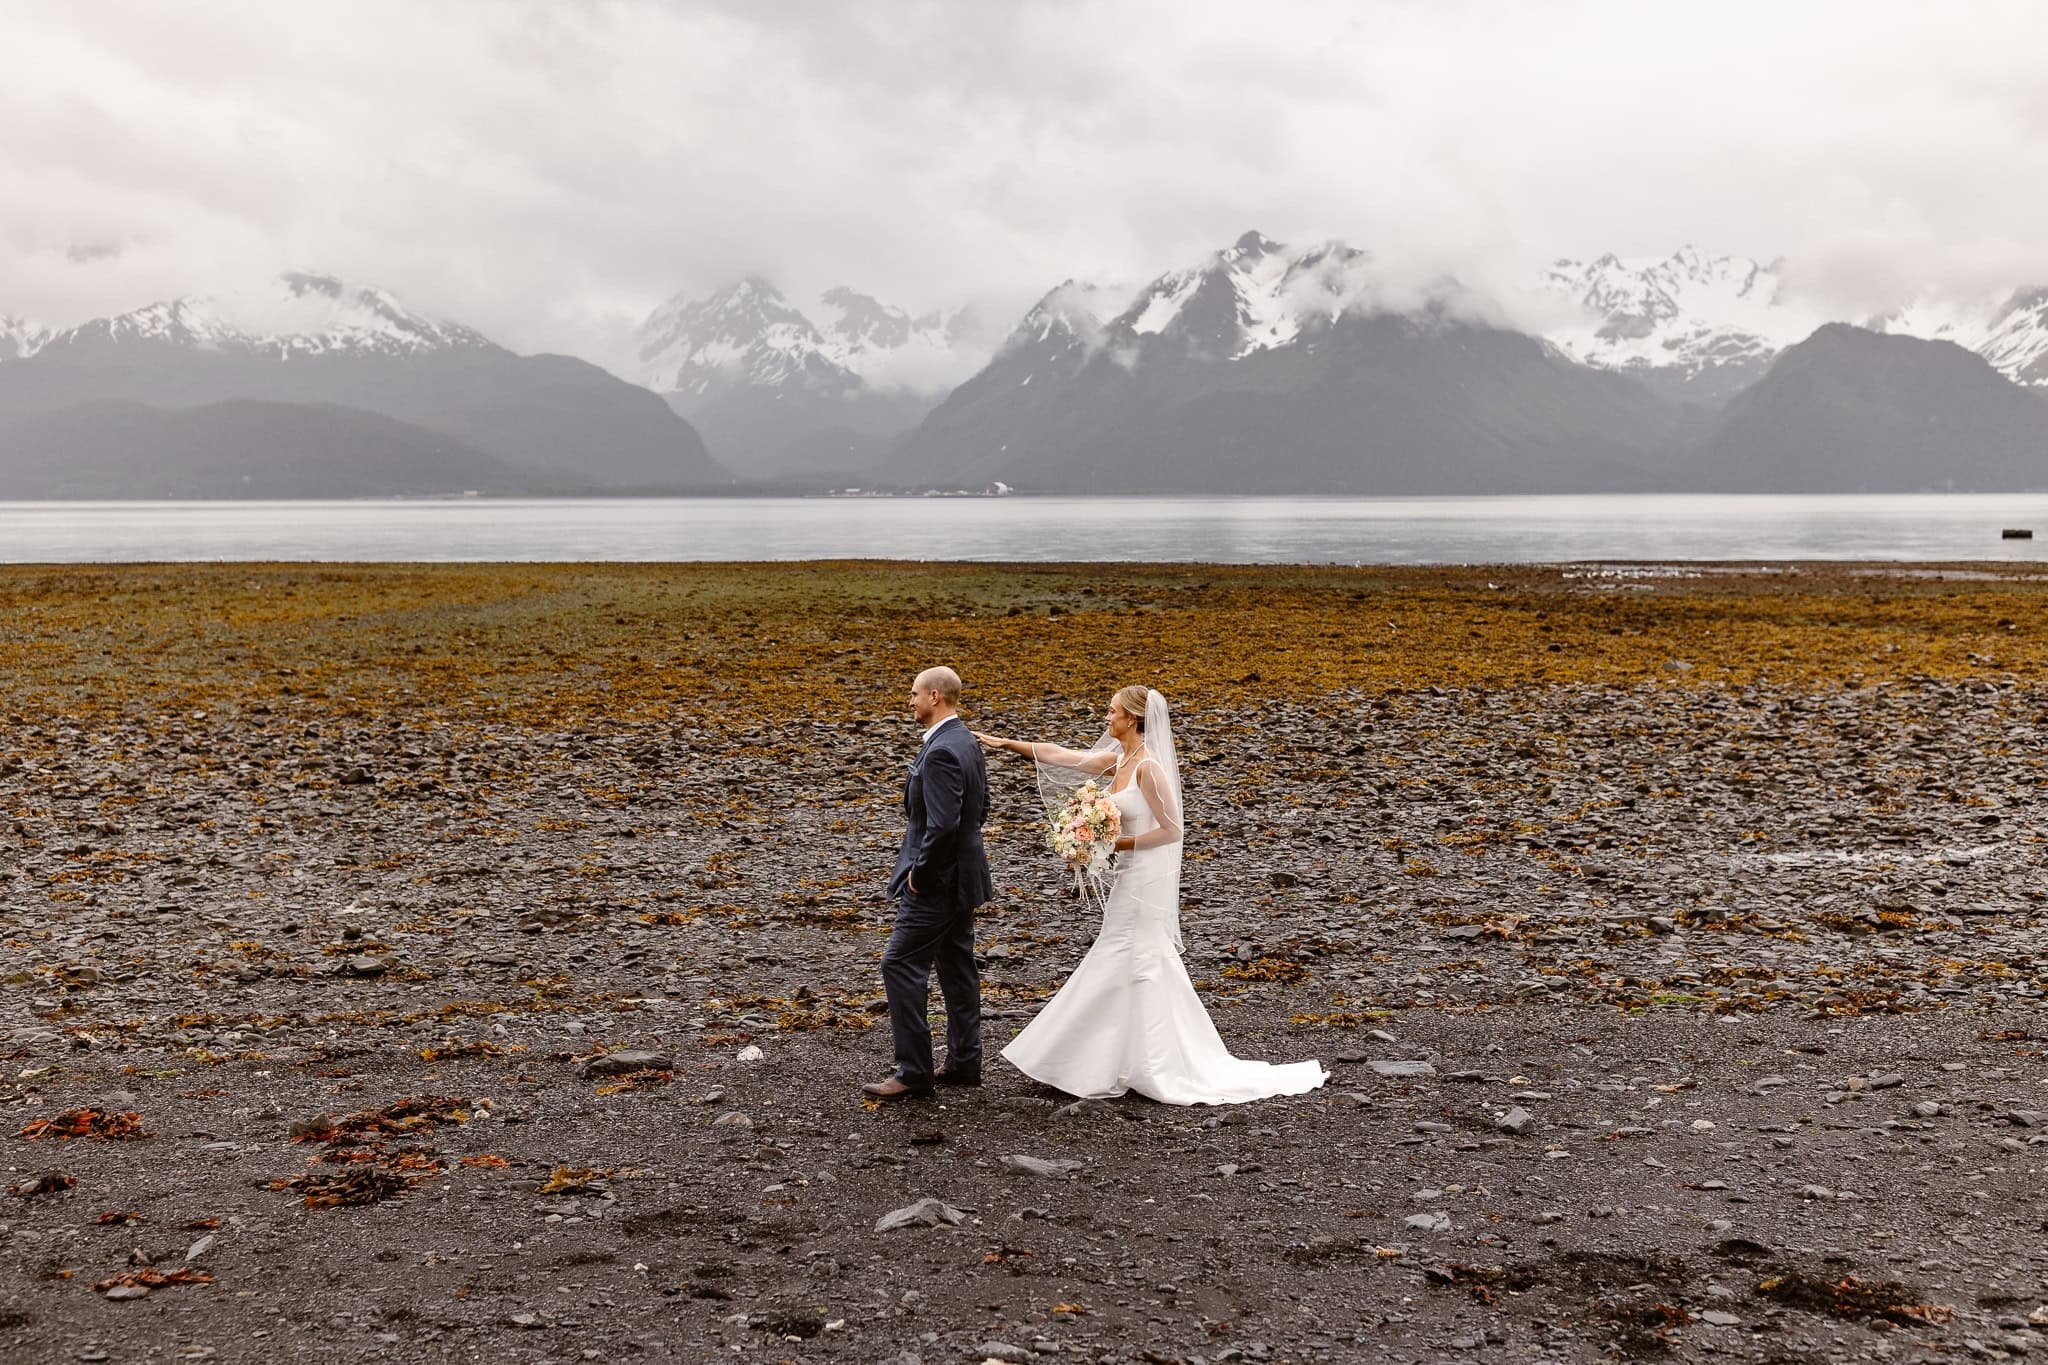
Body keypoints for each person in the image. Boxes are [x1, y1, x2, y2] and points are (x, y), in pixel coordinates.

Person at [974, 685, 1327, 1105]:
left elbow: (1172, 830)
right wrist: (1007, 743)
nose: (1107, 718)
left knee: (1132, 955)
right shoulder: (1118, 759)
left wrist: (1113, 843)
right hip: (1127, 877)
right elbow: (1063, 756)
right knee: (1128, 956)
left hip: (1143, 881)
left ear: (1133, 719)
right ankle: (1109, 1056)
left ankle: (1132, 1059)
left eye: (1112, 712)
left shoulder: (1149, 769)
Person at [863, 666, 994, 1101]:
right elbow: (982, 807)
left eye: (915, 693)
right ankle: (963, 1062)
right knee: (957, 967)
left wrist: (920, 872)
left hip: (935, 882)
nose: (910, 699)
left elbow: (942, 823)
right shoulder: (967, 742)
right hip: (964, 876)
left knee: (899, 964)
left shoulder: (941, 750)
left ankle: (914, 1071)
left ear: (936, 696)